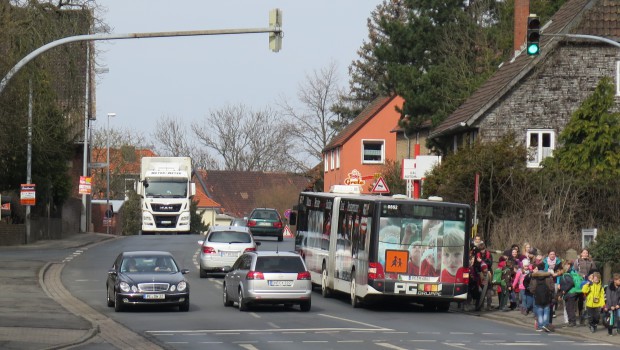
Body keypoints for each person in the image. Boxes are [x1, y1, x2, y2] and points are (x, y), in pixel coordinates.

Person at [529, 262, 554, 332]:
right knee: (546, 310)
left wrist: (534, 292)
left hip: (537, 295)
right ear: (544, 268)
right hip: (547, 295)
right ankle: (545, 325)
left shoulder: (534, 277)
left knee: (539, 310)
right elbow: (552, 287)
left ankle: (540, 326)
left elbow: (532, 288)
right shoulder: (548, 276)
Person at [563, 261, 584, 327]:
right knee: (580, 307)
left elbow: (570, 283)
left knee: (570, 307)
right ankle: (581, 320)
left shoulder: (567, 274)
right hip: (579, 291)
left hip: (571, 292)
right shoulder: (576, 272)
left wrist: (564, 290)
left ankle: (572, 322)